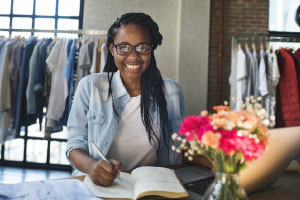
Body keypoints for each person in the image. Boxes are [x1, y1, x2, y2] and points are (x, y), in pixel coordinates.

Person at [66, 12, 185, 186]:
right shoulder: (91, 87)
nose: (133, 56)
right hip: (98, 184)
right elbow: (74, 146)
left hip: (152, 185)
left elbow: (182, 146)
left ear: (151, 49)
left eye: (142, 47)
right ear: (112, 49)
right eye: (123, 47)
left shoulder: (171, 92)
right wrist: (92, 167)